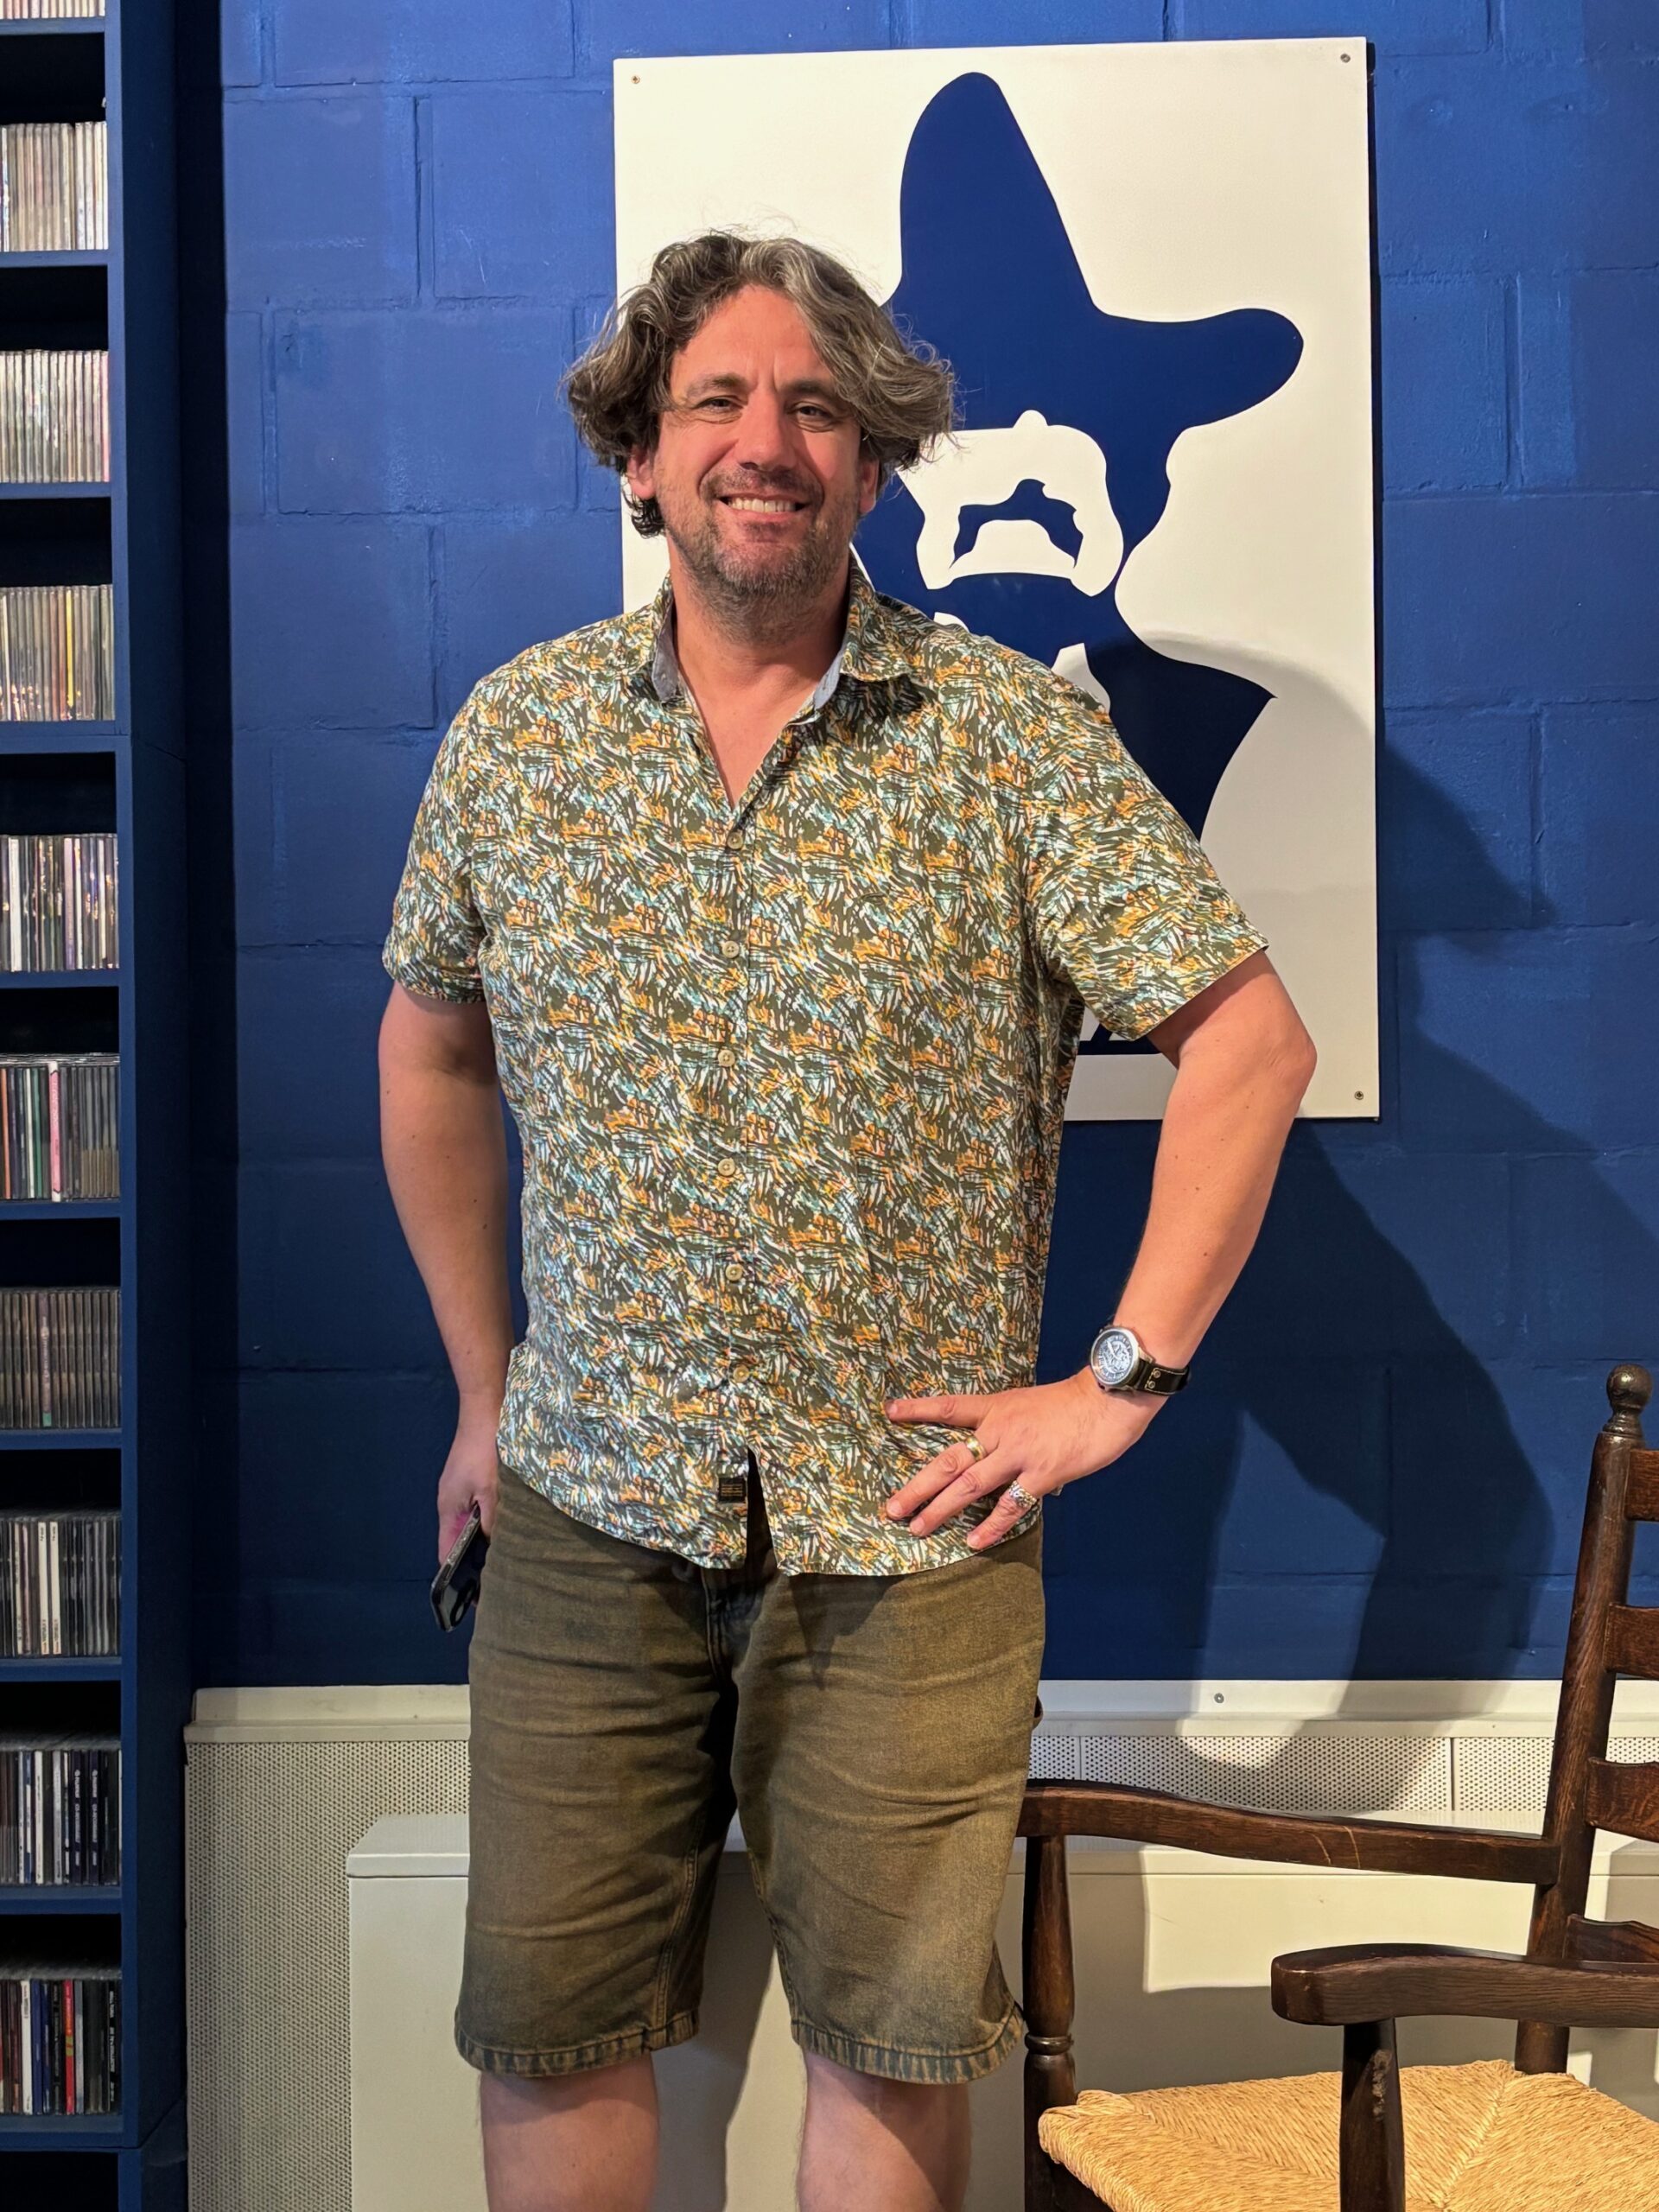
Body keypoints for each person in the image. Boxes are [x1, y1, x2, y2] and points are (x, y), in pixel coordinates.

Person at [378, 231, 1316, 2212]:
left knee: (892, 2050)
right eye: (716, 399)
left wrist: (1117, 1380)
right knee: (551, 2028)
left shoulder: (1008, 737)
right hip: (585, 1503)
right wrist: (481, 1390)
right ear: (640, 454)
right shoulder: (520, 738)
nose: (767, 441)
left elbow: (1249, 1043)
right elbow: (432, 1048)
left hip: (908, 1525)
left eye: (816, 407)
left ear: (873, 464)